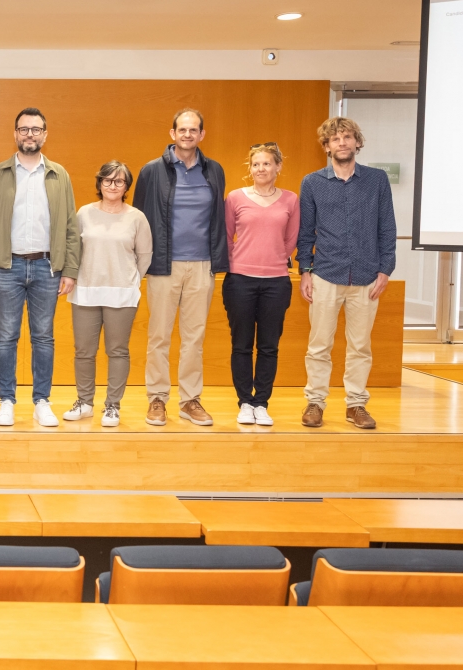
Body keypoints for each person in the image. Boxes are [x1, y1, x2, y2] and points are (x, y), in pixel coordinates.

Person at [0, 107, 80, 428]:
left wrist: (71, 270)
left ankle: (41, 401)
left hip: (48, 268)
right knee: (6, 337)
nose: (30, 134)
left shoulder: (59, 175)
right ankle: (6, 400)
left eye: (36, 129)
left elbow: (70, 227)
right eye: (24, 129)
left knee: (43, 338)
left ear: (45, 135)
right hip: (7, 267)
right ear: (15, 134)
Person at [297, 117, 396, 430]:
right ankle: (315, 402)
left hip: (367, 277)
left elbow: (387, 227)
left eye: (347, 137)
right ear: (326, 147)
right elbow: (305, 232)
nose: (342, 143)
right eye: (335, 139)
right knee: (319, 345)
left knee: (360, 346)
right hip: (326, 273)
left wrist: (385, 268)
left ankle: (356, 405)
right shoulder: (312, 182)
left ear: (357, 142)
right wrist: (305, 270)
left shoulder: (377, 180)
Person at [133, 107, 228, 428]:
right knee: (159, 336)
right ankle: (157, 398)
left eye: (194, 130)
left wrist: (218, 259)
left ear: (201, 135)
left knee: (194, 337)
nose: (188, 135)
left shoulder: (214, 170)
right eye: (182, 130)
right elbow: (139, 219)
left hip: (202, 266)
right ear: (172, 134)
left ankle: (190, 400)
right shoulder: (151, 171)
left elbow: (218, 219)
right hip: (163, 266)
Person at [63, 161, 152, 428]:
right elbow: (74, 250)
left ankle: (112, 405)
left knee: (117, 351)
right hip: (86, 291)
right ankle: (85, 402)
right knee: (84, 351)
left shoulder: (137, 217)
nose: (112, 186)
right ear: (99, 183)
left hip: (121, 294)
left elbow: (144, 256)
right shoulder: (84, 213)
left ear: (126, 187)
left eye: (119, 181)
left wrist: (130, 280)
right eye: (107, 180)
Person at [223, 142, 300, 427]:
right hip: (240, 281)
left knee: (269, 346)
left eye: (267, 163)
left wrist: (278, 259)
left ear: (278, 167)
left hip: (276, 282)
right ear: (250, 168)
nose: (261, 169)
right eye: (256, 164)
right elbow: (226, 235)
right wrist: (238, 261)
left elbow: (292, 238)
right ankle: (244, 402)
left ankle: (261, 403)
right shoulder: (234, 197)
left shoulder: (291, 199)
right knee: (241, 345)